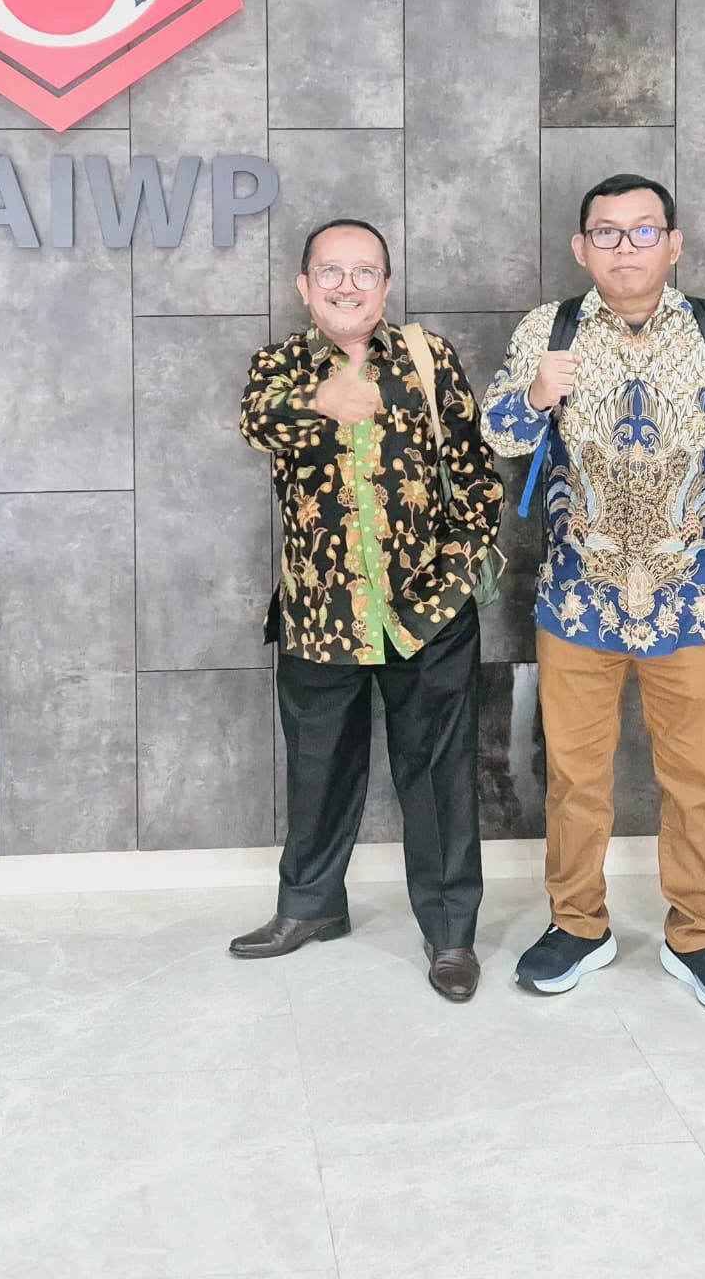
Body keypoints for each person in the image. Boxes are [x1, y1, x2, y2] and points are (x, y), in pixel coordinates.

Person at [484, 174, 705, 1011]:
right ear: (581, 248)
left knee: (697, 780)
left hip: (695, 603)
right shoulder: (547, 329)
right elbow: (499, 432)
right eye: (607, 233)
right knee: (574, 779)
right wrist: (534, 393)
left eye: (644, 231)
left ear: (674, 244)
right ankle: (578, 924)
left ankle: (700, 935)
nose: (626, 247)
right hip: (576, 601)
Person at [230, 218, 504, 1001]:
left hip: (428, 612)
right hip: (318, 613)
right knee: (318, 769)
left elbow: (474, 474)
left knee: (440, 777)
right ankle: (309, 907)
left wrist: (455, 577)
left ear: (385, 286)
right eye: (330, 272)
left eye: (363, 272)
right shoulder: (280, 365)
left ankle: (450, 933)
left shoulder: (428, 358)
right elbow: (257, 424)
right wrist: (323, 400)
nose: (346, 285)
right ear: (304, 287)